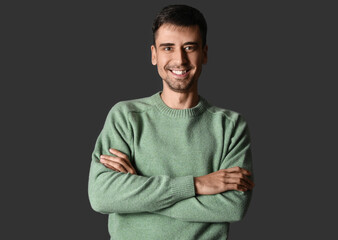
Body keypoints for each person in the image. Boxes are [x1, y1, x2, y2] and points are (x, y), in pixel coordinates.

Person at [88, 4, 254, 240]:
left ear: (204, 54)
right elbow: (101, 196)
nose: (180, 59)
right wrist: (196, 185)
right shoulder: (126, 116)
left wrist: (138, 191)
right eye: (168, 48)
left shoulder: (231, 126)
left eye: (190, 47)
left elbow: (233, 207)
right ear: (154, 54)